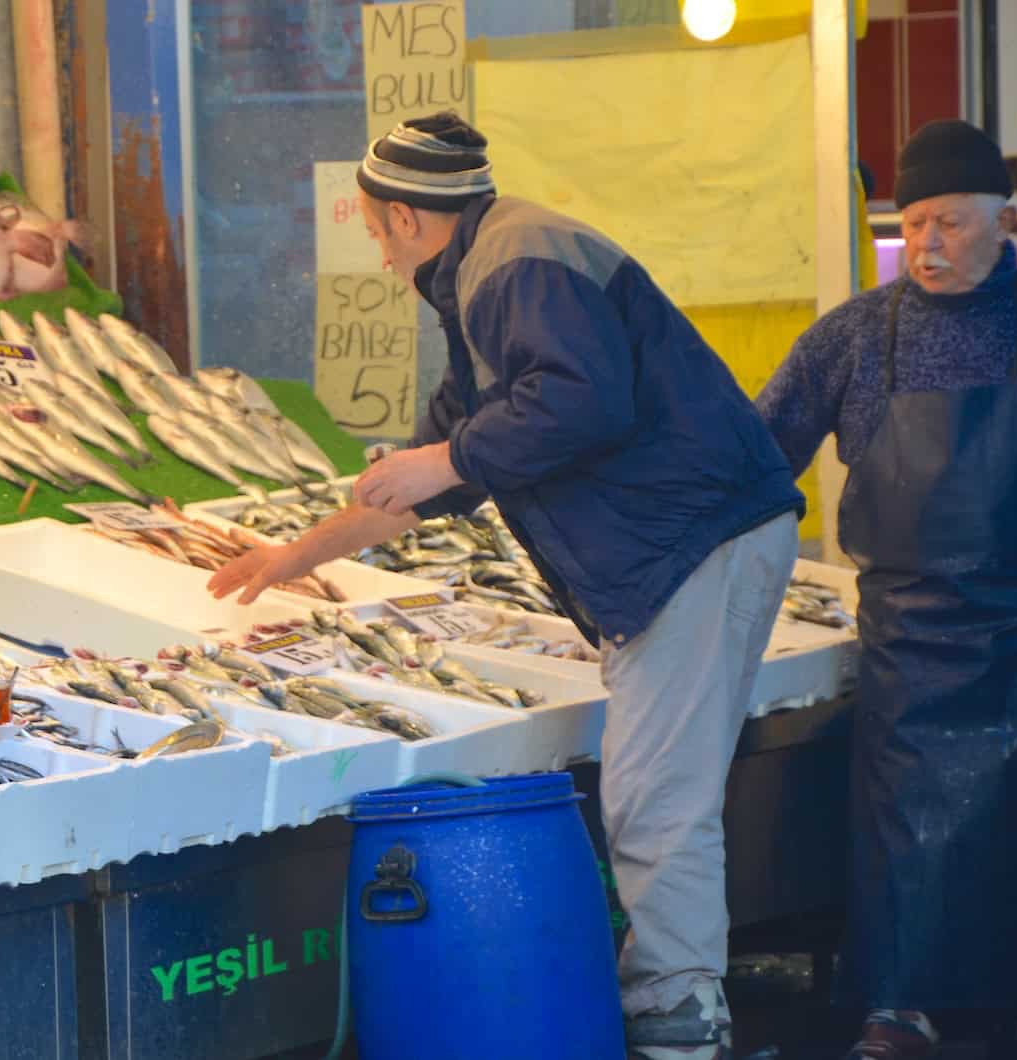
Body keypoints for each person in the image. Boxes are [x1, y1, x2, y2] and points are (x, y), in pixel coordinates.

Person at [209, 111, 804, 1060]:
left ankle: (678, 1018)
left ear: (407, 218)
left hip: (690, 540)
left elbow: (581, 398)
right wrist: (295, 558)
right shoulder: (487, 279)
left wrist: (448, 457)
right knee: (661, 790)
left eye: (371, 229)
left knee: (657, 799)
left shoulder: (515, 263)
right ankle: (674, 1001)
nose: (376, 252)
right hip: (687, 540)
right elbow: (434, 471)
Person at [757, 119, 1017, 1060]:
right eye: (913, 223)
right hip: (907, 643)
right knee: (906, 832)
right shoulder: (854, 338)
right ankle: (900, 1004)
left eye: (949, 224)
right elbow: (756, 453)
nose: (926, 246)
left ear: (1002, 219)